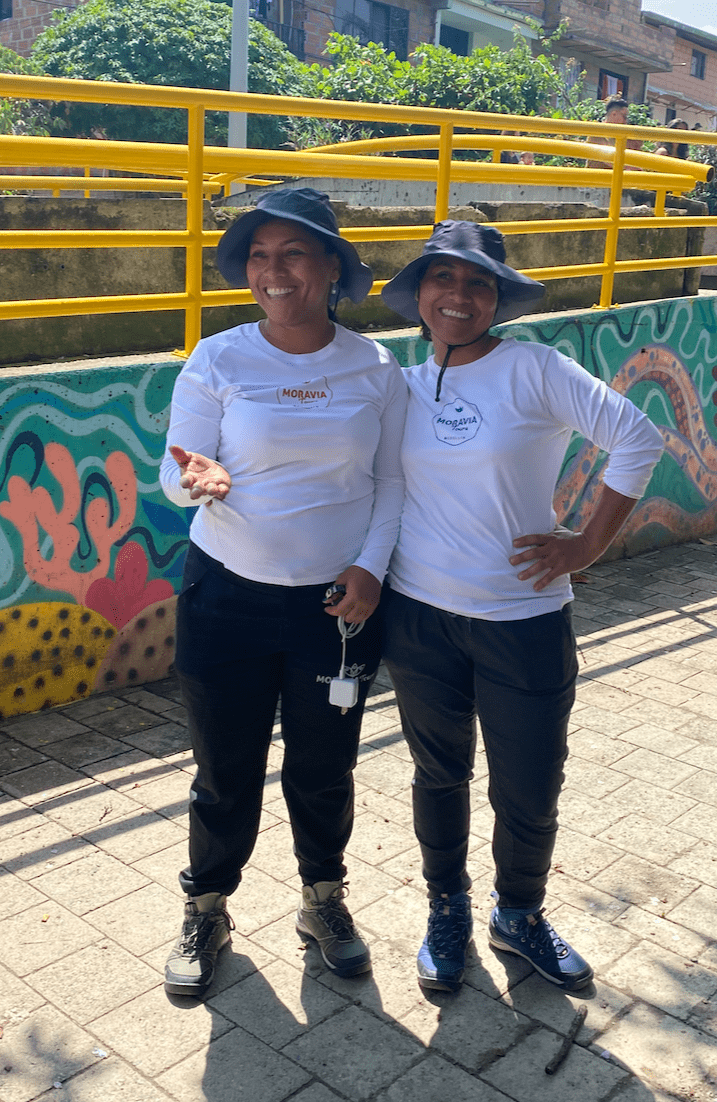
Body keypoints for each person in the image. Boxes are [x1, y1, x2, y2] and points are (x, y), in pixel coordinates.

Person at [380, 220, 664, 993]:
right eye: (444, 279)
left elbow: (639, 437)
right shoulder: (399, 383)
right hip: (419, 617)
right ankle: (448, 910)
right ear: (420, 295)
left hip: (522, 617)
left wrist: (587, 545)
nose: (460, 296)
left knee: (529, 784)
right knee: (438, 775)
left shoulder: (537, 369)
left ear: (498, 298)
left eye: (479, 283)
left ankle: (520, 913)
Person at [159, 187, 407, 998]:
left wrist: (371, 568)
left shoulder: (374, 368)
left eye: (294, 254)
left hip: (337, 611)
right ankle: (206, 907)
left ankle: (322, 900)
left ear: (332, 267)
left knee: (324, 765)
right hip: (224, 598)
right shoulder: (219, 357)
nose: (274, 272)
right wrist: (197, 478)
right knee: (223, 769)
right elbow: (176, 466)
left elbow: (392, 482)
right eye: (260, 257)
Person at [586, 95, 642, 170]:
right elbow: (611, 160)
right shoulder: (597, 132)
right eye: (624, 117)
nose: (625, 122)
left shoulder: (620, 134)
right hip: (597, 179)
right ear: (614, 114)